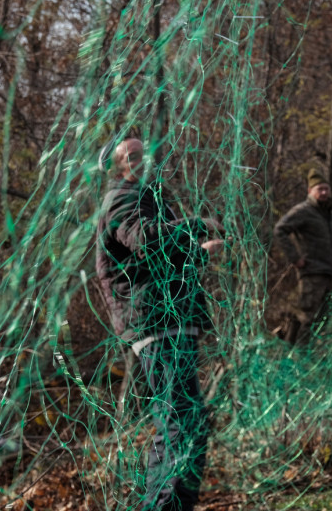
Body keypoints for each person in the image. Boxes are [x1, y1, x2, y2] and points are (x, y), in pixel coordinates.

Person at [95, 137, 224, 511]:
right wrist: (197, 225)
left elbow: (161, 256)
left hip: (170, 319)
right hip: (155, 322)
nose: (143, 161)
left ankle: (162, 505)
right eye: (132, 157)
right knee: (184, 422)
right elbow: (145, 239)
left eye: (144, 154)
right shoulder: (121, 199)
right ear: (117, 168)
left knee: (180, 423)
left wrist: (196, 253)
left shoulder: (148, 198)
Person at [273, 167, 332, 346]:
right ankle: (298, 357)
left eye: (326, 188)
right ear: (310, 191)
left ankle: (312, 356)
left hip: (327, 272)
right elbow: (280, 230)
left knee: (322, 319)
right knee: (307, 318)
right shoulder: (304, 210)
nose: (324, 193)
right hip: (311, 273)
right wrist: (295, 258)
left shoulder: (327, 213)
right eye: (319, 189)